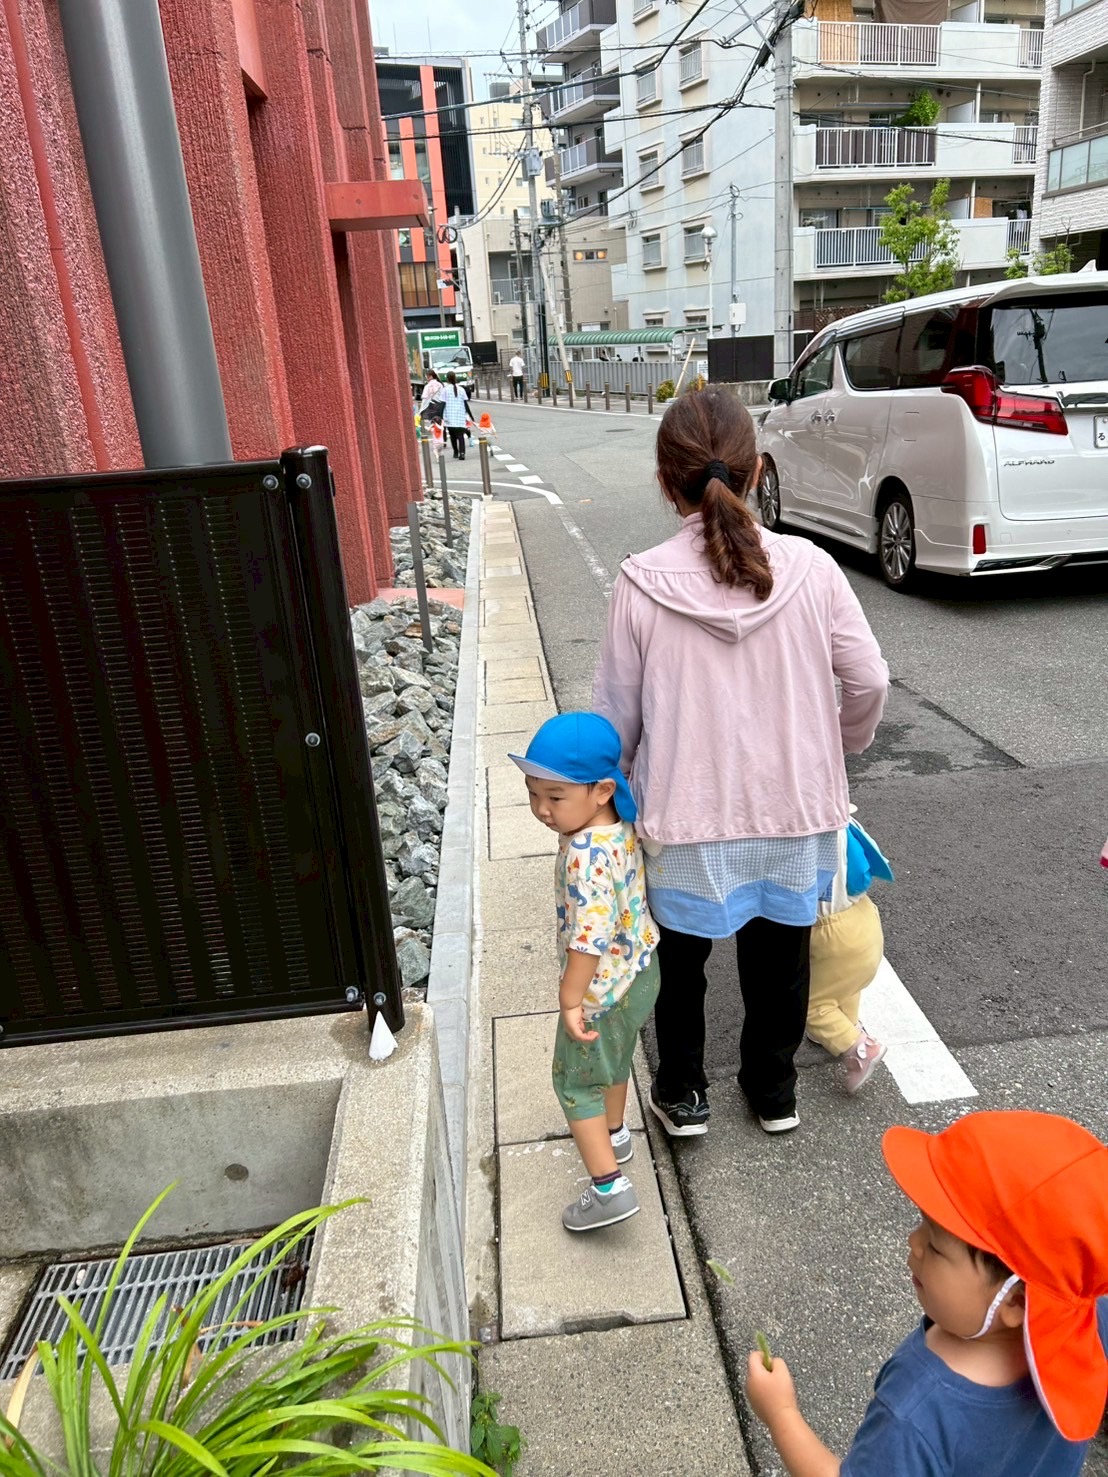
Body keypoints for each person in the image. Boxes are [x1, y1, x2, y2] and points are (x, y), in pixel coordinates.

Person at [592, 387, 888, 1137]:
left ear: (668, 482)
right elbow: (869, 680)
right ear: (756, 470)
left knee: (679, 966)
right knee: (780, 960)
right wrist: (840, 745)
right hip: (794, 809)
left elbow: (616, 716)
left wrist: (612, 796)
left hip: (685, 817)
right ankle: (774, 1090)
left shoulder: (641, 581)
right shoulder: (812, 568)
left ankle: (684, 1093)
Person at [746, 1110, 1108, 1476]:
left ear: (1015, 1301)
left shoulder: (915, 1414)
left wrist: (780, 1413)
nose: (913, 1242)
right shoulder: (1087, 1321)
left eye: (935, 1246)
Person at [510, 712, 661, 1233]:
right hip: (641, 973)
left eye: (555, 796)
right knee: (613, 1062)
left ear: (601, 790)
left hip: (601, 990)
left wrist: (571, 999)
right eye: (533, 794)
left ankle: (608, 1188)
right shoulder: (619, 826)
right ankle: (615, 1133)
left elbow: (588, 938)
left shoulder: (583, 852)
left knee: (574, 1083)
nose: (542, 809)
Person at [805, 814, 892, 1094]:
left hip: (833, 933)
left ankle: (858, 1048)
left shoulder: (806, 842)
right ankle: (848, 1025)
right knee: (843, 986)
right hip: (863, 918)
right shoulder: (846, 827)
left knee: (810, 1005)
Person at [441, 371, 470, 459]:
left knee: (452, 436)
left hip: (450, 416)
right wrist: (470, 415)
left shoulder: (445, 390)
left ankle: (456, 452)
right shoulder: (461, 389)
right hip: (460, 416)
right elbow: (465, 403)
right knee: (460, 436)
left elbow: (442, 404)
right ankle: (462, 453)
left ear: (447, 379)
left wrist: (440, 415)